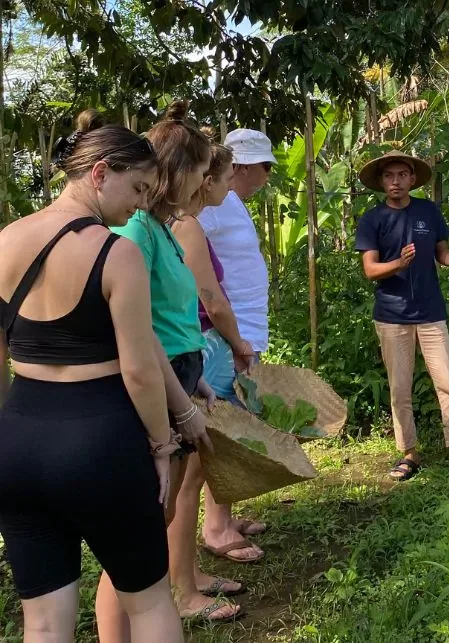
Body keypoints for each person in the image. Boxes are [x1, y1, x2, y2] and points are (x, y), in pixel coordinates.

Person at [0, 111, 184, 641]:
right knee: (148, 603)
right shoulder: (116, 253)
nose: (140, 203)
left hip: (17, 445)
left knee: (43, 620)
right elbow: (141, 371)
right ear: (100, 173)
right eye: (138, 187)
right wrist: (162, 446)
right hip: (101, 444)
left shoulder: (6, 240)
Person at [106, 101, 243, 631]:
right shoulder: (137, 231)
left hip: (179, 380)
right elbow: (135, 331)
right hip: (155, 393)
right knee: (140, 534)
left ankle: (160, 603)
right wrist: (178, 404)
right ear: (176, 171)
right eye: (201, 169)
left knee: (156, 520)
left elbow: (171, 317)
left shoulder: (164, 229)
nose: (207, 180)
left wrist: (197, 379)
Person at [355, 150, 449, 481]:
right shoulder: (373, 219)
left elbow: (441, 253)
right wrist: (398, 264)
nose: (395, 181)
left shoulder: (428, 211)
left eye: (402, 175)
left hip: (430, 313)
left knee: (448, 383)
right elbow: (370, 269)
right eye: (389, 176)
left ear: (413, 179)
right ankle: (409, 452)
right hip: (391, 315)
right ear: (382, 182)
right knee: (400, 390)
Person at [171, 132, 263, 566]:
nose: (227, 185)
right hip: (213, 340)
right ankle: (210, 535)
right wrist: (236, 339)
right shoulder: (189, 222)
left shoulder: (214, 210)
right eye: (224, 176)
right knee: (205, 447)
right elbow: (209, 294)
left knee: (215, 440)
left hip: (219, 339)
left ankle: (216, 521)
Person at [197, 127, 275, 561]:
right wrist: (233, 336)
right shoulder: (212, 206)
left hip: (241, 334)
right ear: (242, 167)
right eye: (264, 166)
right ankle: (215, 527)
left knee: (232, 423)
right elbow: (197, 264)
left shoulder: (232, 204)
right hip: (228, 335)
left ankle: (223, 516)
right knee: (221, 428)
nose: (267, 176)